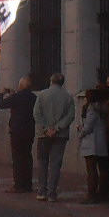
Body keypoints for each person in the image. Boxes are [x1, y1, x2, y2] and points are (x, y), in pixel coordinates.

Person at [32, 73, 76, 203]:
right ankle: (52, 193)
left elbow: (37, 113)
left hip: (43, 134)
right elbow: (70, 116)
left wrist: (46, 128)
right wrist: (57, 128)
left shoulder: (41, 95)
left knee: (42, 162)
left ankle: (42, 191)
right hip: (60, 135)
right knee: (55, 164)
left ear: (51, 81)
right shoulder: (68, 97)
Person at [78, 87, 109, 204]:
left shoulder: (92, 109)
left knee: (91, 170)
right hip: (100, 142)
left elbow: (88, 127)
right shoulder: (102, 108)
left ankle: (91, 194)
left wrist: (80, 133)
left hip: (91, 143)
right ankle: (102, 193)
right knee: (101, 169)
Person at [4, 76, 37, 194]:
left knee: (17, 158)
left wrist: (1, 94)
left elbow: (1, 103)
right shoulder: (34, 98)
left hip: (17, 131)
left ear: (21, 86)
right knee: (27, 157)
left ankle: (18, 185)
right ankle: (28, 184)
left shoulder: (16, 97)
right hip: (29, 131)